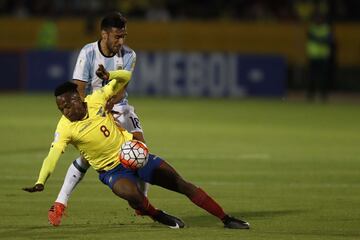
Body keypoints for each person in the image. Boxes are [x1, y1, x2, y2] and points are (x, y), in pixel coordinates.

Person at [23, 67, 250, 229]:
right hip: (112, 171)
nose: (64, 111)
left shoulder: (96, 99)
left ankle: (225, 218)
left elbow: (126, 76)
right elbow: (52, 156)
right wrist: (41, 181)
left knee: (182, 184)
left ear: (77, 99)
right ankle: (157, 215)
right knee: (131, 194)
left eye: (66, 104)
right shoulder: (65, 128)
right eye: (60, 108)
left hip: (135, 155)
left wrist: (110, 75)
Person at [46, 12, 149, 226]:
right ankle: (60, 203)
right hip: (91, 108)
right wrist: (91, 112)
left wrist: (110, 104)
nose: (121, 41)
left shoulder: (129, 55)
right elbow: (78, 89)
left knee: (141, 150)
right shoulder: (88, 52)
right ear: (104, 34)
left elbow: (121, 89)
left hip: (118, 106)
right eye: (117, 36)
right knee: (88, 156)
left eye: (124, 36)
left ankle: (141, 201)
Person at [306, 8, 334, 102]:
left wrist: (319, 39)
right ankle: (310, 96)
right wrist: (322, 40)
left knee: (323, 78)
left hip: (323, 56)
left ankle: (323, 96)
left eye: (319, 18)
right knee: (312, 77)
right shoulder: (312, 28)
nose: (318, 20)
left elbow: (330, 40)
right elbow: (312, 38)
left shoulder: (326, 28)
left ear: (322, 19)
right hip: (313, 56)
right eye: (316, 18)